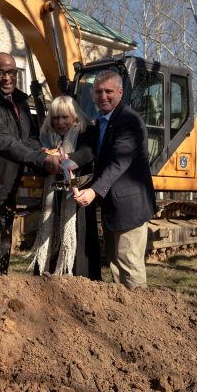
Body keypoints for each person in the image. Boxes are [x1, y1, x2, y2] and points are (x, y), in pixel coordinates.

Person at [0, 52, 62, 277]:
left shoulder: (20, 102)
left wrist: (40, 151)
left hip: (9, 188)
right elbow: (3, 141)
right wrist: (41, 159)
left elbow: (28, 138)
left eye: (10, 72)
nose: (6, 78)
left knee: (4, 248)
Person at [75, 69, 157, 289]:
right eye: (98, 92)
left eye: (109, 91)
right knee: (115, 262)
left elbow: (119, 162)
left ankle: (140, 313)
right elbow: (90, 152)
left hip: (129, 206)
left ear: (120, 92)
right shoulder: (100, 121)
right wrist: (69, 162)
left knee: (129, 264)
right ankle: (124, 315)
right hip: (112, 205)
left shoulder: (129, 120)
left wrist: (93, 190)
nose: (103, 96)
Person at [29, 95, 99, 278]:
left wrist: (63, 161)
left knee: (78, 248)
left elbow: (87, 154)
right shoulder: (45, 137)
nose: (60, 122)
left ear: (75, 117)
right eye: (55, 118)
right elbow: (37, 161)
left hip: (77, 199)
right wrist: (43, 158)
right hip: (53, 200)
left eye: (64, 117)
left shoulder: (87, 131)